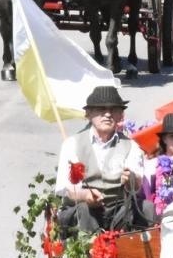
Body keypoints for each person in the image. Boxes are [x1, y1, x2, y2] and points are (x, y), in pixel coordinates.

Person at [55, 85, 147, 235]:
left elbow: (136, 183)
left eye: (113, 110)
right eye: (101, 109)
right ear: (88, 114)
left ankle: (131, 252)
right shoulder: (72, 144)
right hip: (83, 211)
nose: (107, 114)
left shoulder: (131, 146)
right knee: (83, 210)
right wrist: (86, 196)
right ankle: (90, 254)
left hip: (118, 211)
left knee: (145, 208)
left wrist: (131, 179)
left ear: (120, 115)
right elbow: (66, 189)